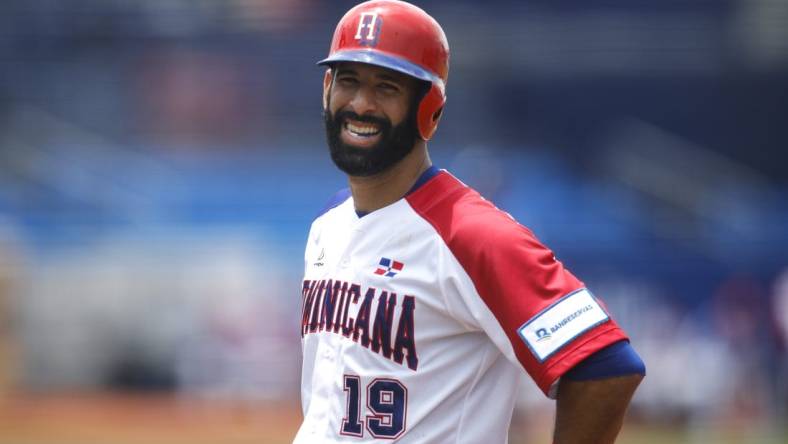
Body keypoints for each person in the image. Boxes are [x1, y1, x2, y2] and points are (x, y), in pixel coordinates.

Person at [295, 1, 645, 442]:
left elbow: (605, 366)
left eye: (387, 87)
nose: (362, 103)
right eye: (349, 81)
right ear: (327, 89)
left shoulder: (472, 234)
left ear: (431, 110)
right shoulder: (328, 224)